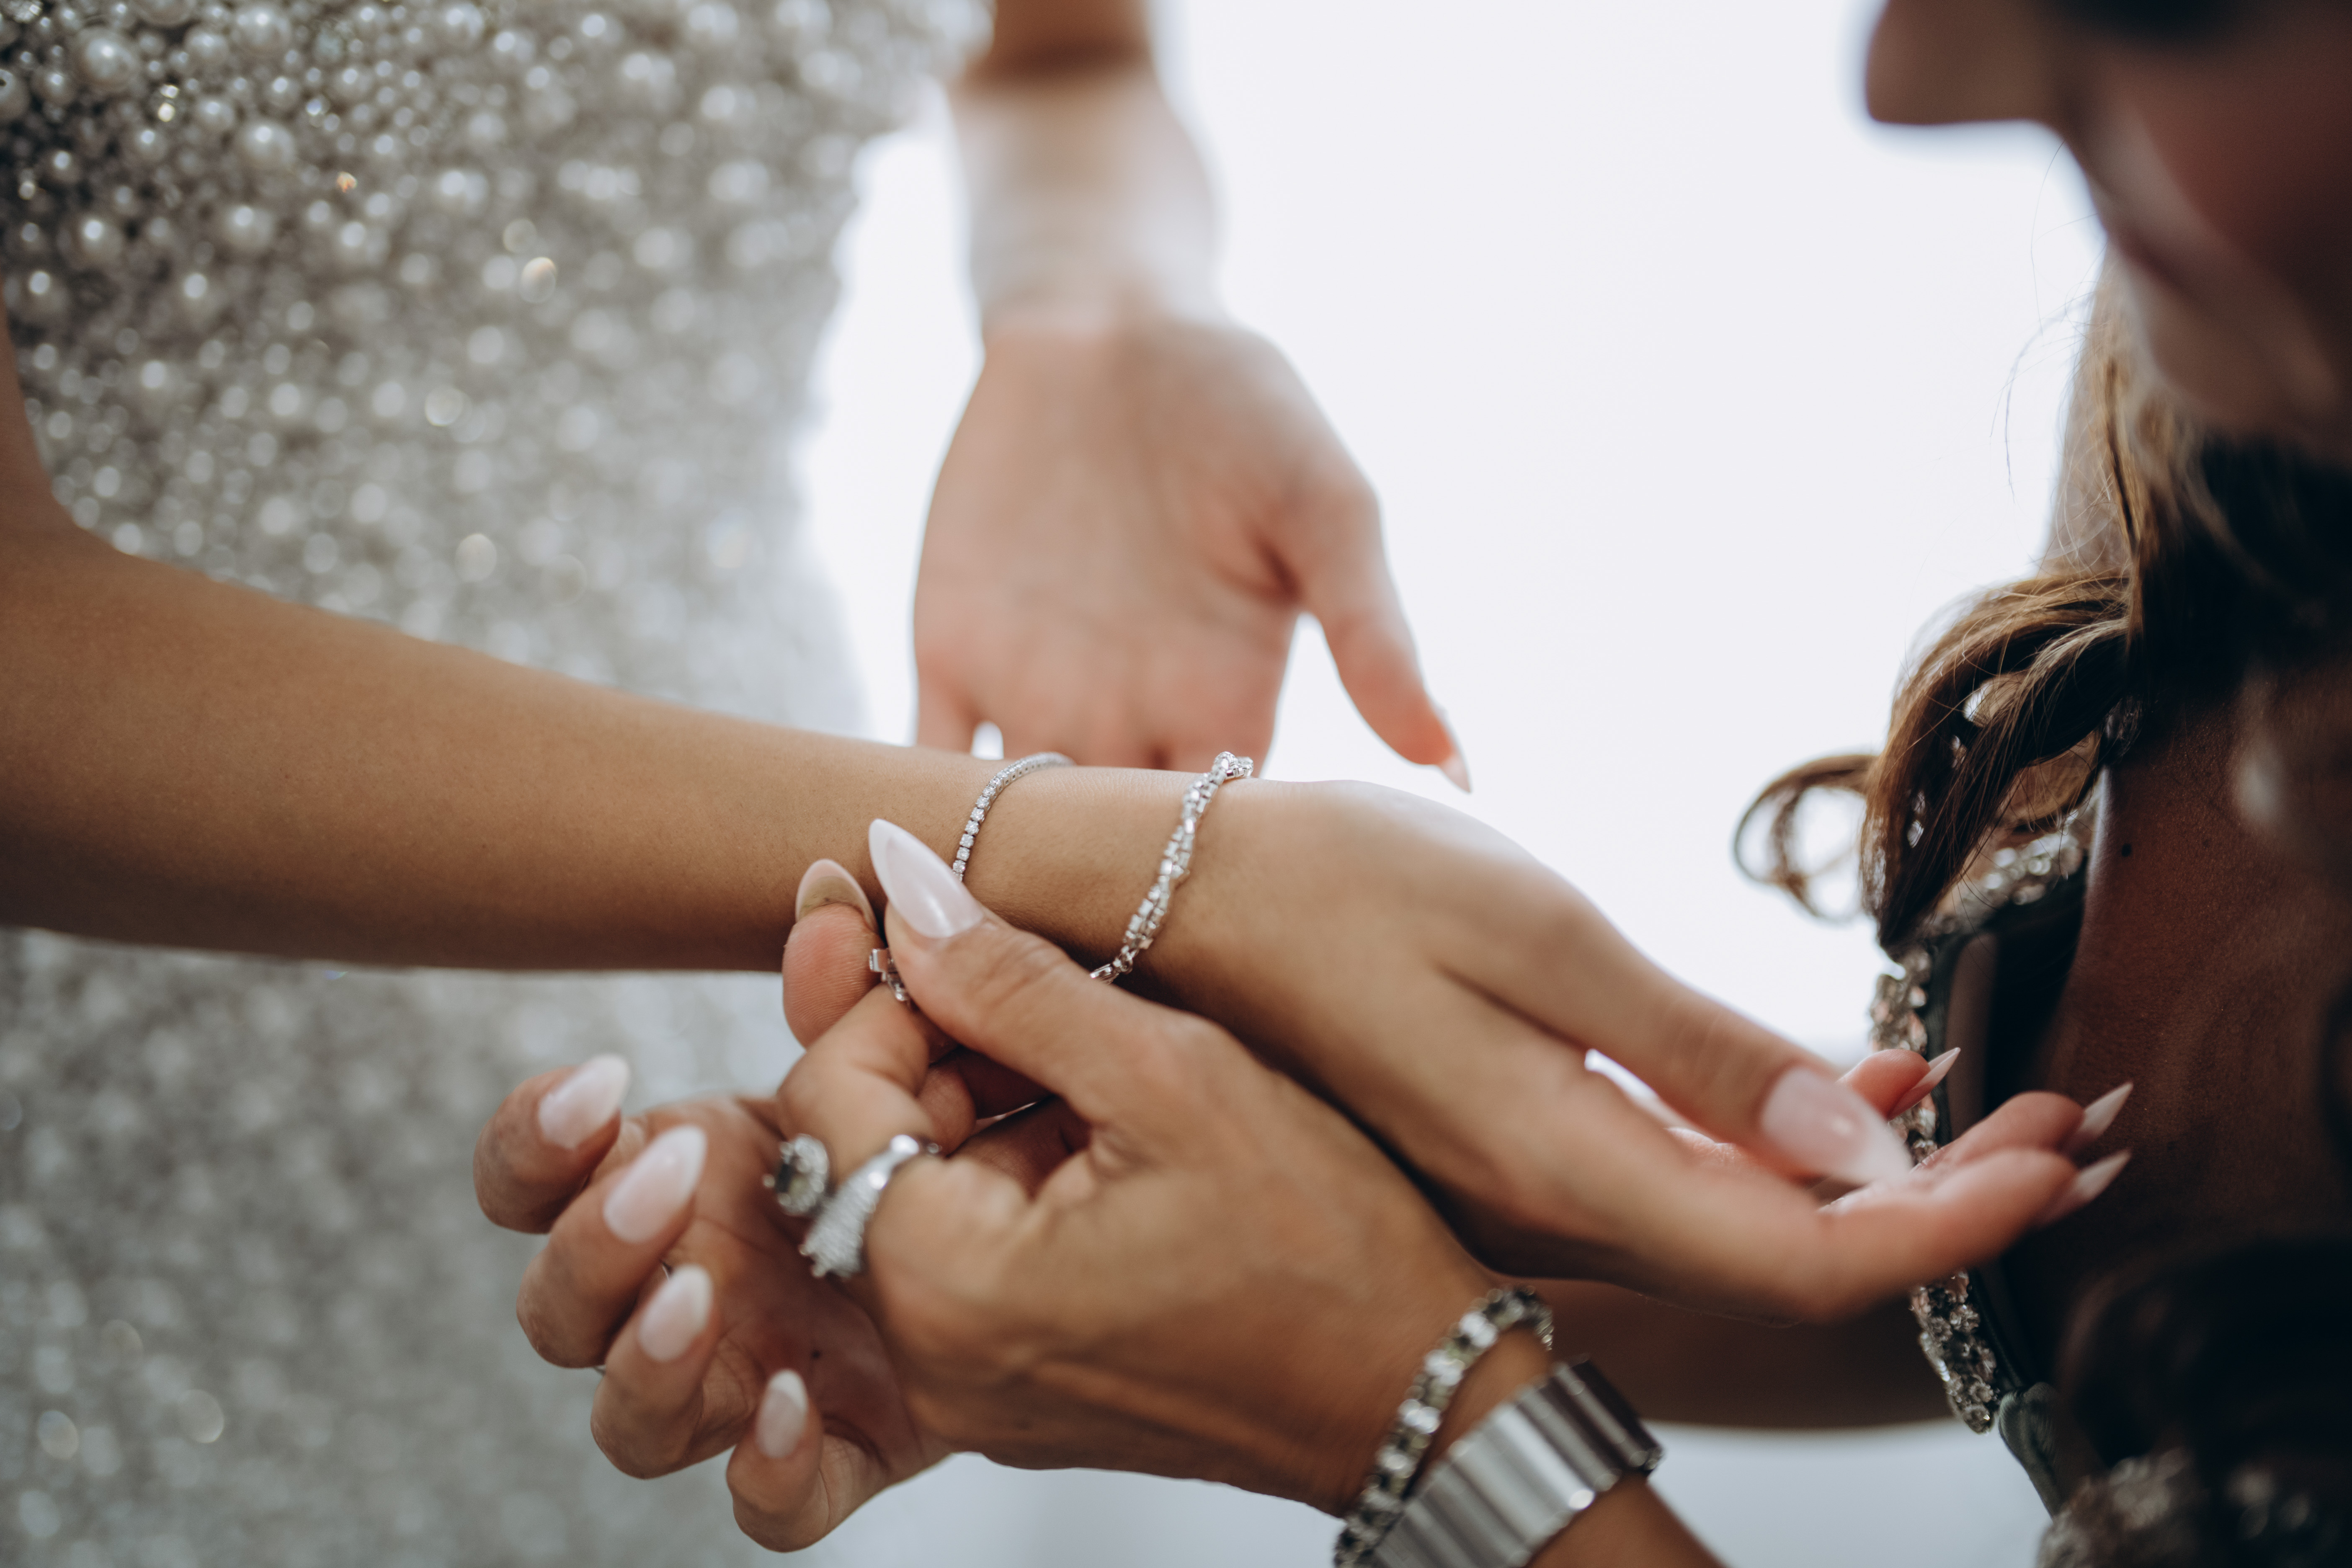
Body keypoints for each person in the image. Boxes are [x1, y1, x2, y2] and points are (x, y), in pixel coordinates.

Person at [0, 0, 2003, 1561]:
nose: (1904, 76)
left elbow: (1064, 55)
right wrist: (1122, 866)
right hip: (134, 1085)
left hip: (796, 1025)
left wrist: (1095, 301)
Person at [477, 0, 2352, 1559]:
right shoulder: (2234, 386)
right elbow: (2105, 1286)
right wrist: (1180, 1227)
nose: (1905, 79)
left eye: (2175, 4)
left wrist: (1422, 1417)